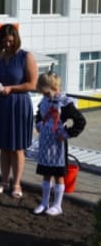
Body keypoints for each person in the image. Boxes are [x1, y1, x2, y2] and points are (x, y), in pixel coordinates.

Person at [0, 23, 38, 199]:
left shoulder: (25, 57)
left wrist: (11, 88)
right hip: (0, 104)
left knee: (17, 147)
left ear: (16, 39)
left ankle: (16, 184)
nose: (7, 44)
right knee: (4, 147)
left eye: (9, 40)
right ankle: (4, 181)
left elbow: (32, 84)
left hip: (18, 104)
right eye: (3, 41)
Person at [33, 72, 86, 216]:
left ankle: (57, 205)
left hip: (58, 145)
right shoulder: (44, 100)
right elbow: (39, 114)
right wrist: (38, 123)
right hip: (45, 142)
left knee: (58, 175)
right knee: (45, 173)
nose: (43, 94)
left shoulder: (65, 102)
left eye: (45, 91)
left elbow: (80, 121)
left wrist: (67, 133)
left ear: (53, 88)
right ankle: (44, 202)